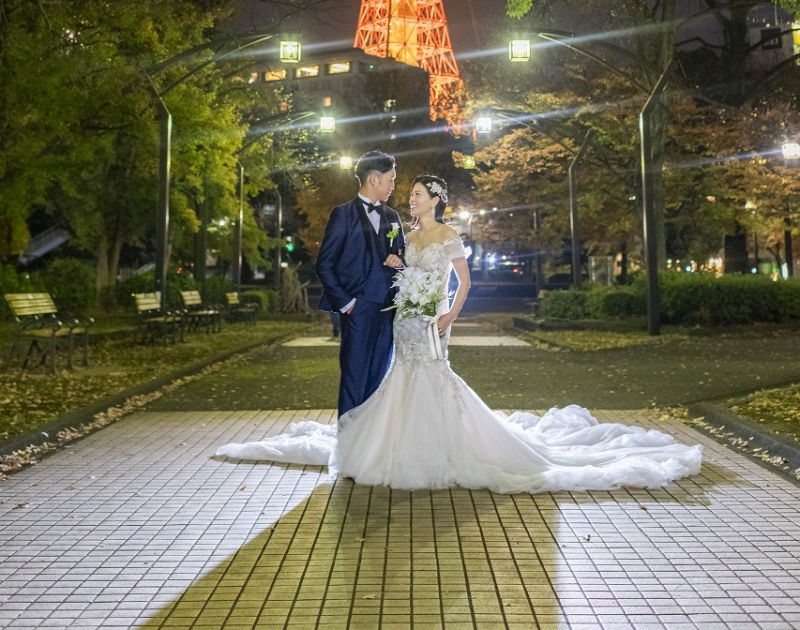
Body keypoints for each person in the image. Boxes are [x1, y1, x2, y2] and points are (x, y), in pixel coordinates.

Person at [215, 175, 702, 493]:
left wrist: (451, 316)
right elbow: (398, 269)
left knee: (434, 377)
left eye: (419, 196)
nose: (412, 199)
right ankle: (394, 445)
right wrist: (393, 262)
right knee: (401, 377)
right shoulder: (403, 235)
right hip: (404, 316)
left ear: (438, 201)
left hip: (433, 319)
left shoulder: (449, 236)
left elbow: (463, 281)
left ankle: (443, 449)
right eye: (409, 195)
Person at [313, 149, 405, 416]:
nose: (393, 185)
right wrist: (347, 303)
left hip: (388, 308)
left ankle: (369, 441)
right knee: (354, 376)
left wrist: (397, 261)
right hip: (358, 308)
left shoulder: (392, 217)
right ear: (373, 179)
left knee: (378, 375)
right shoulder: (343, 214)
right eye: (391, 179)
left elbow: (402, 256)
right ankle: (349, 442)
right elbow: (325, 263)